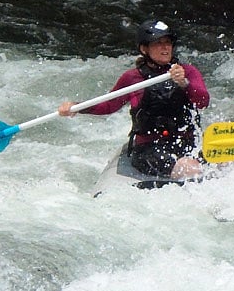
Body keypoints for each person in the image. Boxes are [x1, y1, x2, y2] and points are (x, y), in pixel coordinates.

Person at [58, 19, 210, 180]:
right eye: (158, 43)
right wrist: (76, 107)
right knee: (191, 168)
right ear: (144, 49)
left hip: (187, 142)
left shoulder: (187, 72)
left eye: (168, 43)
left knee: (216, 165)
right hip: (150, 148)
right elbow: (109, 105)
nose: (165, 47)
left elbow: (203, 102)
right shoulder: (133, 78)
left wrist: (184, 83)